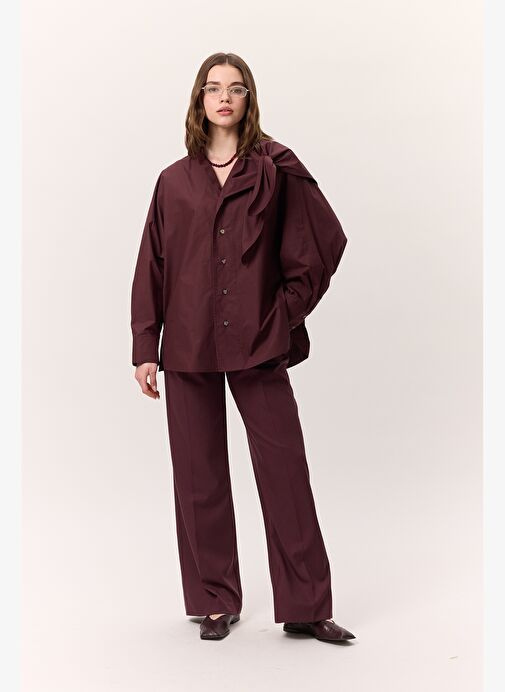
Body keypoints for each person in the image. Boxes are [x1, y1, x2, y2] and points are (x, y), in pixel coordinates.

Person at [130, 52, 356, 643]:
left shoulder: (275, 169)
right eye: (213, 88)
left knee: (285, 470)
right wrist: (145, 345)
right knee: (198, 474)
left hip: (258, 342)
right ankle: (214, 601)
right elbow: (152, 264)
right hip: (186, 343)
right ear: (199, 101)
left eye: (235, 88)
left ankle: (307, 606)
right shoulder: (172, 181)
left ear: (249, 99)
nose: (224, 97)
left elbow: (322, 243)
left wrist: (282, 315)